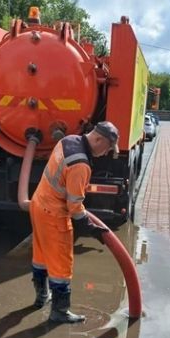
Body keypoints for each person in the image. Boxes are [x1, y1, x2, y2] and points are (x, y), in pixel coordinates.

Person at [29, 121, 120, 323]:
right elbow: (75, 207)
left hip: (38, 204)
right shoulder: (81, 165)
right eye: (107, 148)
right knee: (61, 264)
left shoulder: (68, 140)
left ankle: (42, 296)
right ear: (98, 139)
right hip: (54, 214)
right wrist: (91, 227)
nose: (106, 153)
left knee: (41, 255)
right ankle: (60, 312)